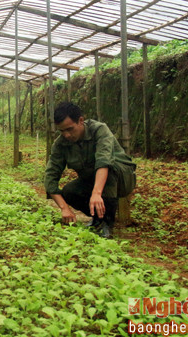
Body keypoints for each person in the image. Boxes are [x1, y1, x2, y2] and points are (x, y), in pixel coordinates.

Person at [44, 102, 136, 238]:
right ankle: (98, 218)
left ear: (81, 121)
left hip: (122, 178)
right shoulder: (61, 144)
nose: (67, 135)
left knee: (108, 169)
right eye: (62, 131)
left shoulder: (99, 130)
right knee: (69, 192)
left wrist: (96, 193)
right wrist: (64, 208)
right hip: (91, 179)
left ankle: (106, 223)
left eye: (70, 129)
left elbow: (104, 161)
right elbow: (50, 176)